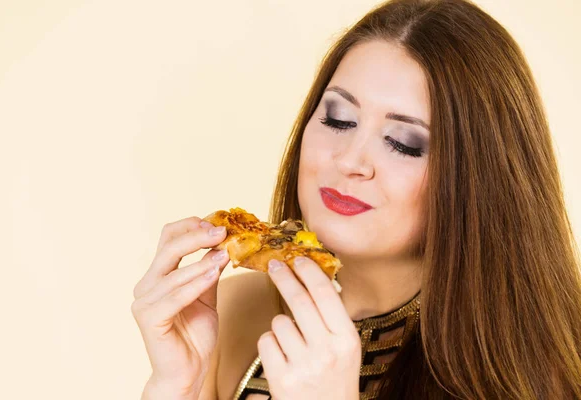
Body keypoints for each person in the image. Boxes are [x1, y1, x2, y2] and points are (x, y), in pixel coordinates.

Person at [131, 0, 581, 398]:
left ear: (478, 180)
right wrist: (176, 386)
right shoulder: (231, 314)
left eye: (404, 143)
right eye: (338, 118)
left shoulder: (543, 370)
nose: (350, 160)